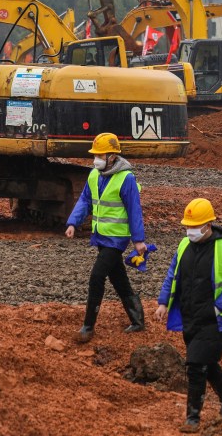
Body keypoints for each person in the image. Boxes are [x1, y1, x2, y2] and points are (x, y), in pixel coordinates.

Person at [154, 198, 222, 433]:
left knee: (195, 365)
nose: (190, 231)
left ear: (208, 225)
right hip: (190, 317)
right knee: (208, 362)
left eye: (195, 227)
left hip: (214, 320)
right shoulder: (184, 245)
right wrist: (163, 302)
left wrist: (218, 306)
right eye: (188, 226)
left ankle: (192, 418)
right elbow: (172, 275)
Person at [65, 132, 147, 343]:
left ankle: (88, 326)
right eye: (95, 155)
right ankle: (138, 320)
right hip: (101, 237)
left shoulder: (126, 178)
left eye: (101, 155)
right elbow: (85, 200)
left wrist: (138, 240)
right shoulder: (94, 175)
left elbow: (134, 210)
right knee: (118, 277)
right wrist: (73, 222)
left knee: (97, 276)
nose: (96, 159)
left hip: (117, 239)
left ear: (112, 156)